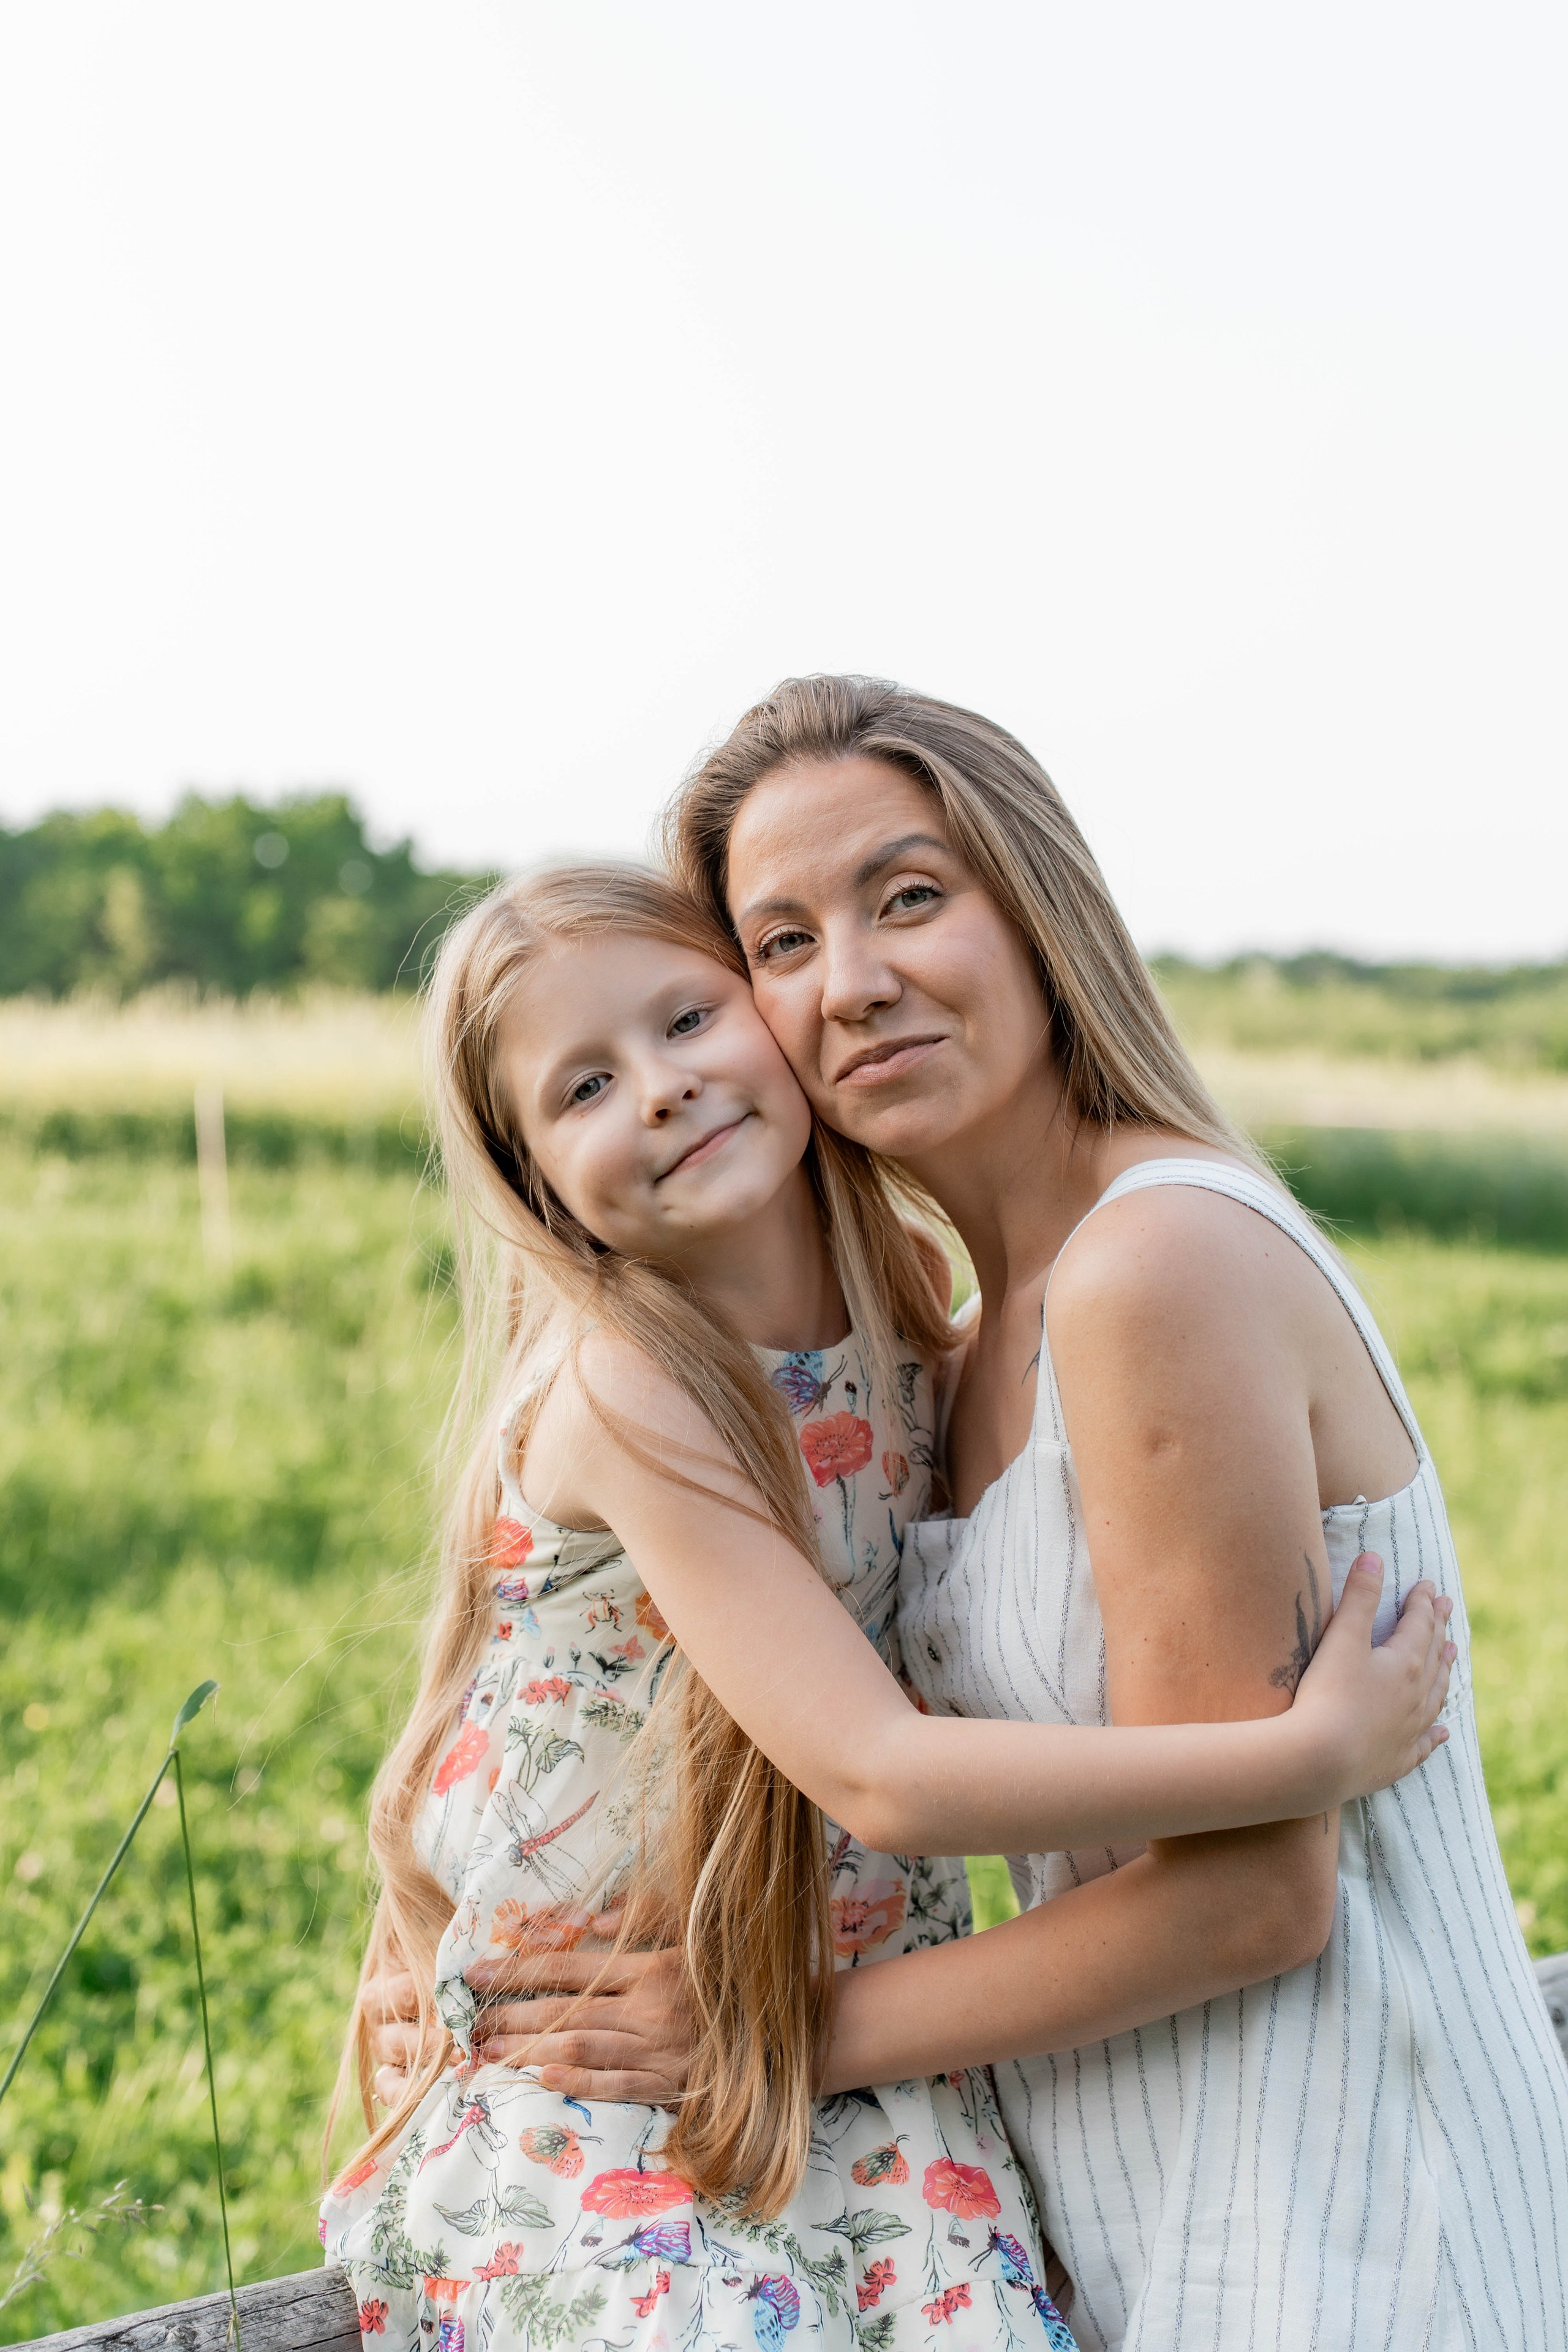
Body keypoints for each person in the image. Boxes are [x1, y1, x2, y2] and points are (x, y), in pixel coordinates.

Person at [328, 859, 1450, 2352]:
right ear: (535, 1182)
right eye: (583, 1086)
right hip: (594, 2067)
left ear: (774, 1029)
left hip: (829, 2028)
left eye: (685, 1021)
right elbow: (877, 1771)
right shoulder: (632, 1384)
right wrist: (1301, 1757)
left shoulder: (912, 1327)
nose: (659, 1090)